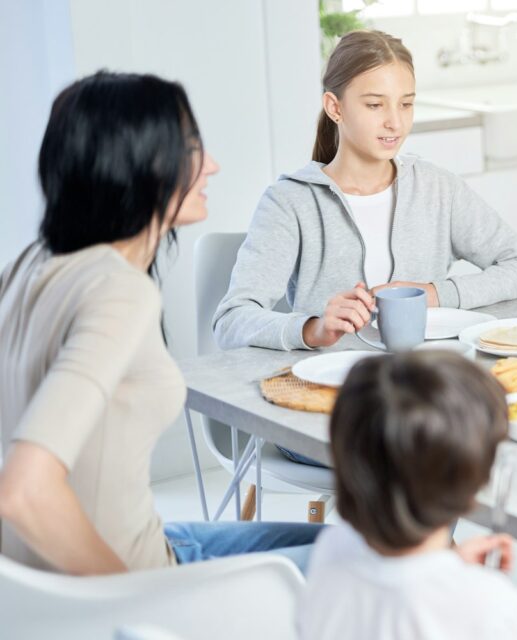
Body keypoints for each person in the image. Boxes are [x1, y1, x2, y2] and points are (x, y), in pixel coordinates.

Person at [0, 72, 322, 576]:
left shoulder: (30, 263)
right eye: (191, 148)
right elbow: (23, 492)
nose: (211, 165)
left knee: (349, 543)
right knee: (393, 560)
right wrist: (139, 596)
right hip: (132, 579)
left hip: (69, 570)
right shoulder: (117, 291)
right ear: (139, 162)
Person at [213, 29, 517, 353]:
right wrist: (313, 328)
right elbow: (232, 320)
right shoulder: (291, 202)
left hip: (424, 381)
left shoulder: (437, 189)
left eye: (405, 105)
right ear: (335, 107)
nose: (395, 123)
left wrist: (433, 294)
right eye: (375, 105)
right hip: (334, 389)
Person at [298, 351, 517, 639]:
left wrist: (452, 566)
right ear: (474, 483)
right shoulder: (493, 604)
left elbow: (396, 588)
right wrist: (476, 584)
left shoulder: (331, 550)